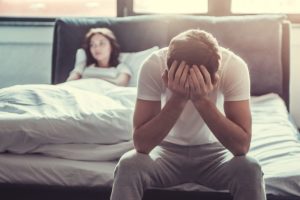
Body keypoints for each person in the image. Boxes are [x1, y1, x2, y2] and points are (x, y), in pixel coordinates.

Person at [110, 29, 266, 200]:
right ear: (168, 72)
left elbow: (241, 147)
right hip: (165, 151)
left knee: (250, 168)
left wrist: (202, 100)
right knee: (128, 165)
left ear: (215, 74)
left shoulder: (233, 66)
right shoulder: (154, 64)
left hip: (217, 153)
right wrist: (178, 98)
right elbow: (142, 144)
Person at [66, 28, 131, 86]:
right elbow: (69, 83)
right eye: (92, 44)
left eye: (102, 43)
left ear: (111, 47)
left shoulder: (122, 67)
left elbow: (120, 85)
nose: (96, 48)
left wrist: (93, 83)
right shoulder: (83, 65)